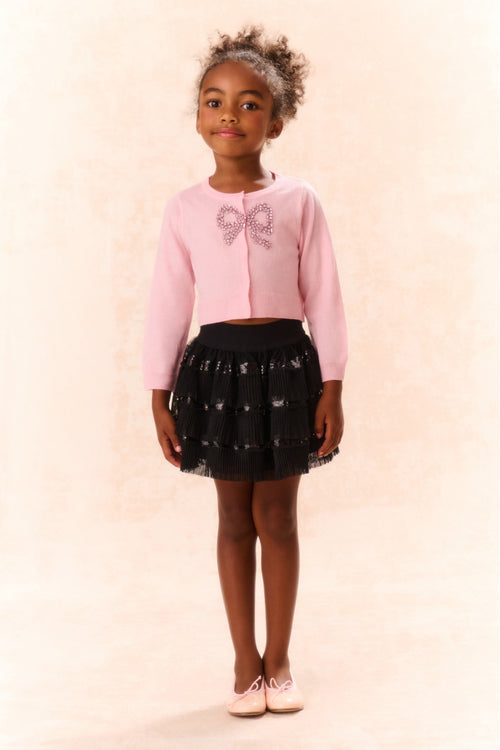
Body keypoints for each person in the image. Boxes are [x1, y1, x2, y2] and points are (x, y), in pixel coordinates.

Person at [142, 25, 348, 717]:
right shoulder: (184, 209)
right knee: (233, 519)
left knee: (278, 517)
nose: (230, 113)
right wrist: (159, 393)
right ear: (199, 115)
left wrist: (333, 385)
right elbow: (169, 303)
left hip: (288, 367)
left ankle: (279, 660)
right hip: (216, 373)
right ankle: (243, 663)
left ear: (276, 121)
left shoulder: (300, 201)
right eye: (215, 100)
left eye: (250, 103)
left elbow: (325, 295)